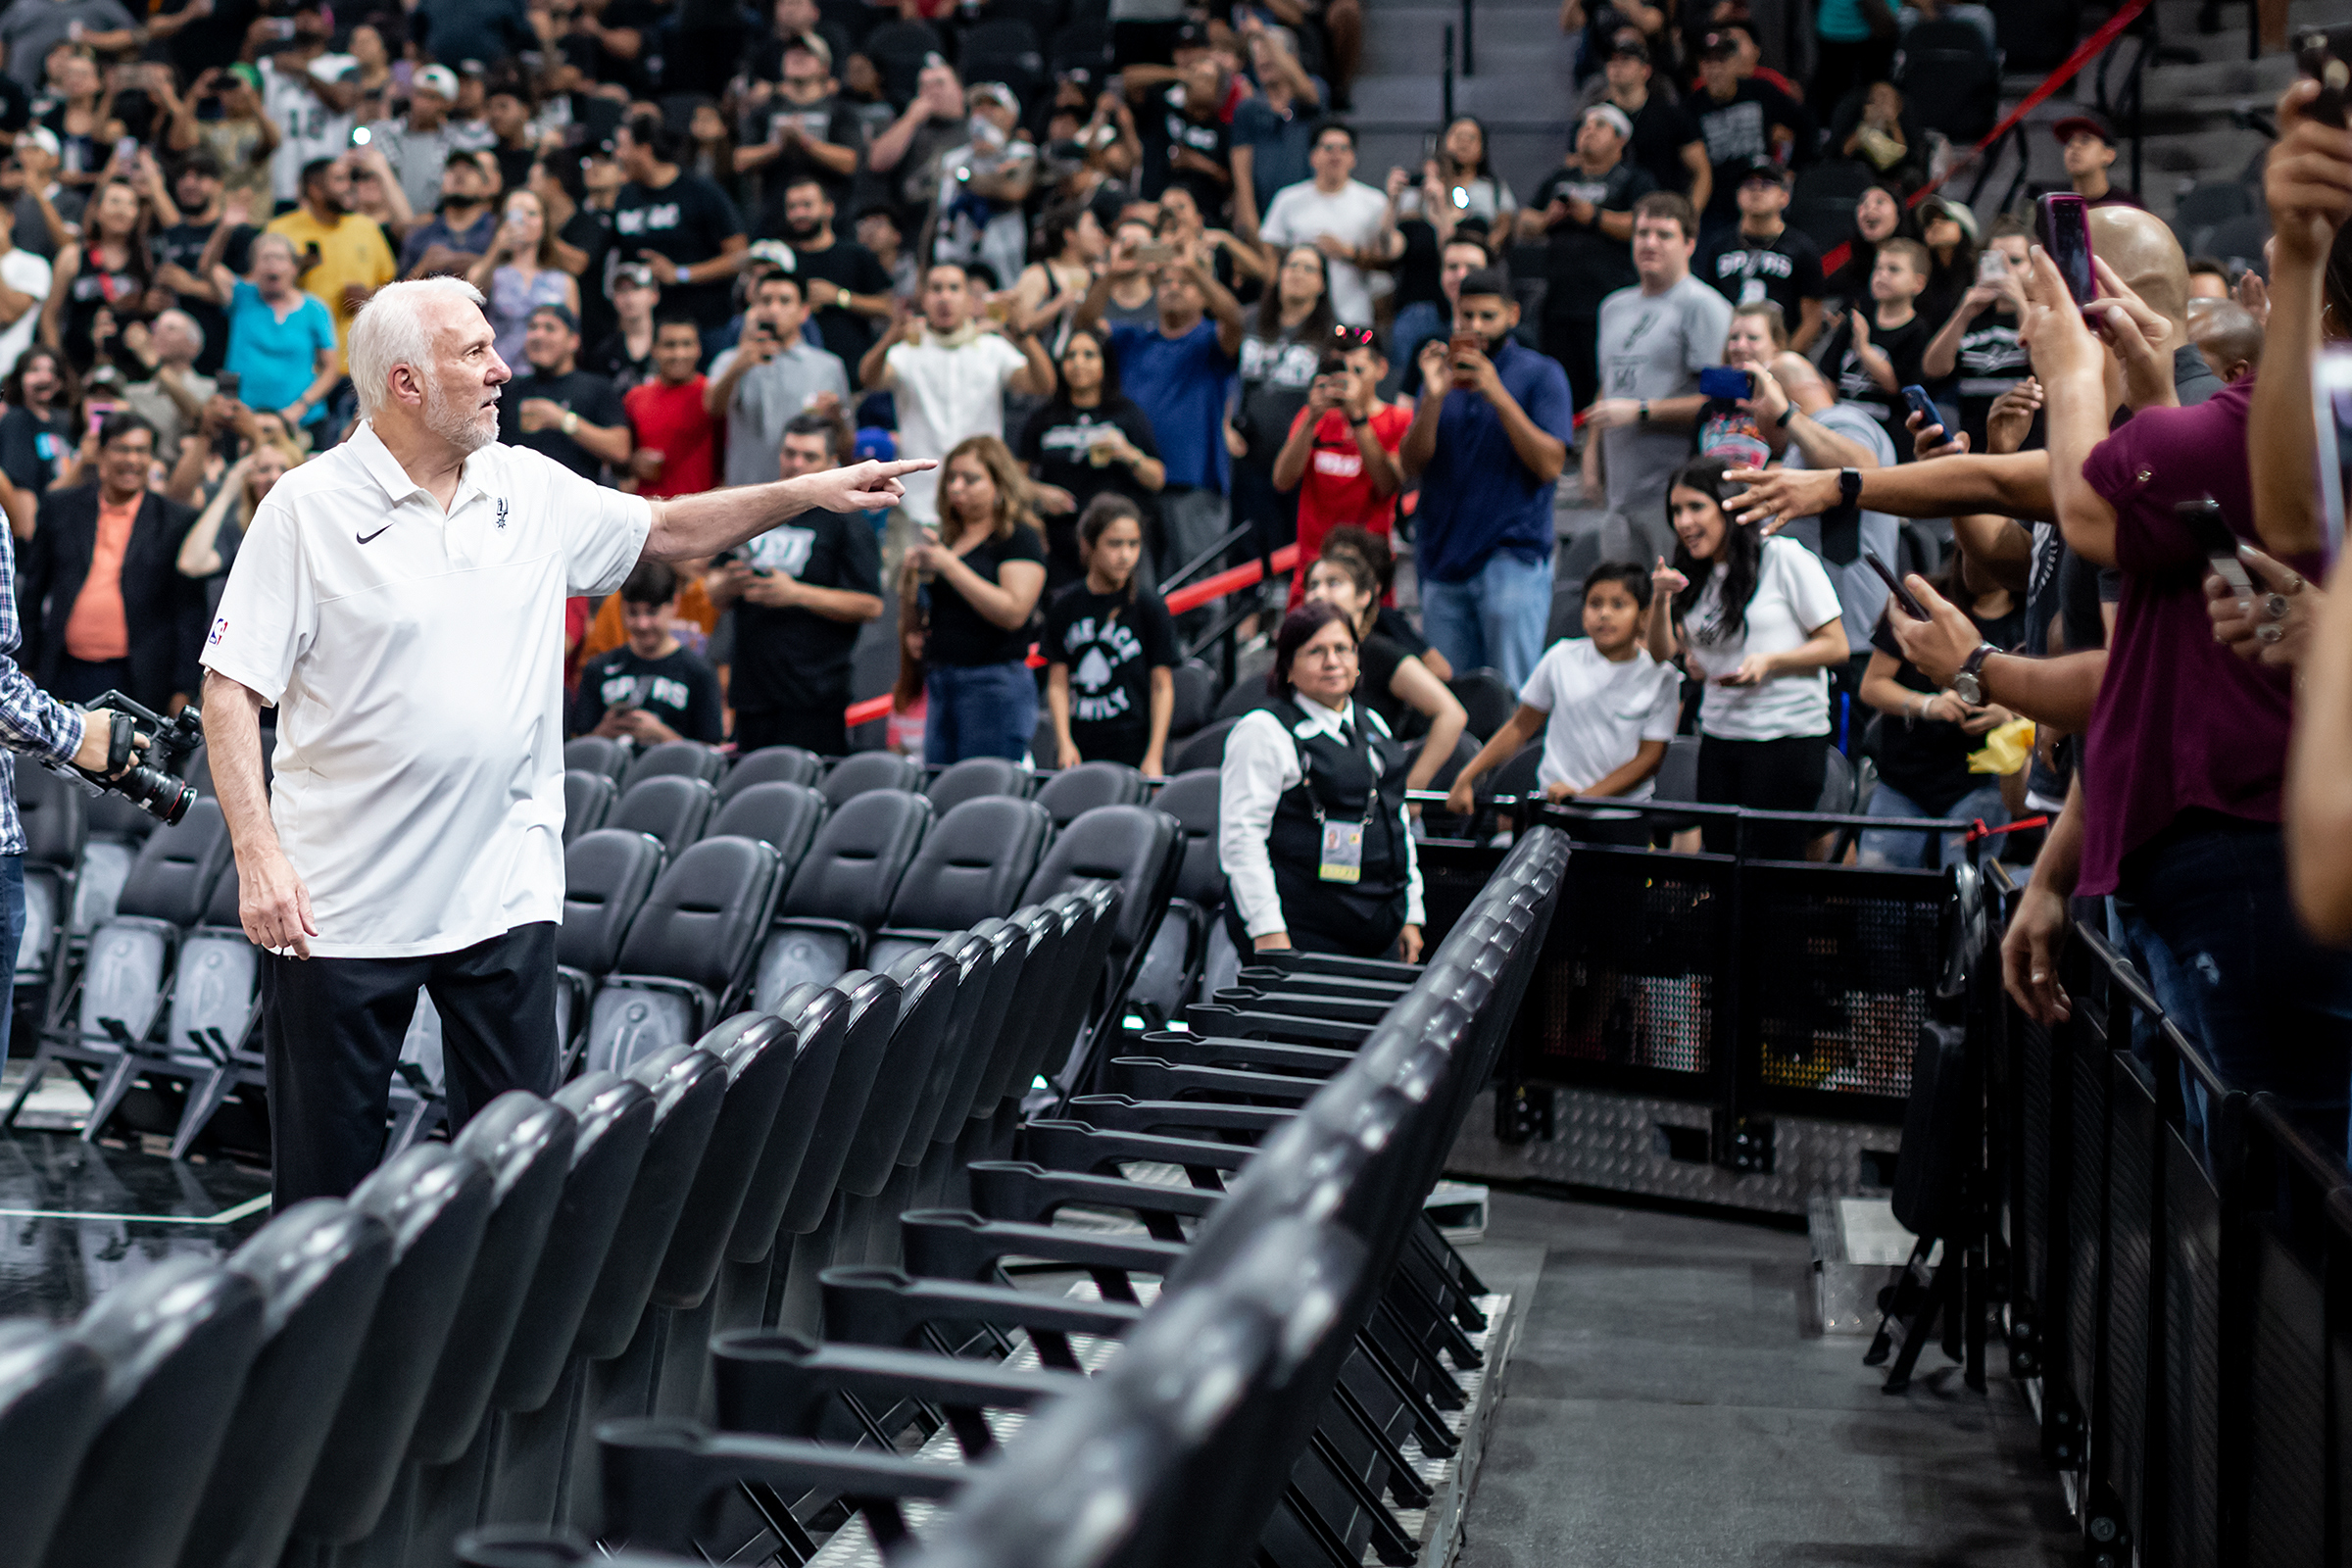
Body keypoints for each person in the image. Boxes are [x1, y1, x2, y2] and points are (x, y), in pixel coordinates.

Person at [196, 274, 925, 1205]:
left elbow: (665, 527)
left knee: (520, 1182)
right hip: (338, 905)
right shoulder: (306, 507)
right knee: (324, 1193)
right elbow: (230, 688)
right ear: (407, 383)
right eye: (475, 352)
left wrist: (808, 492)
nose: (502, 368)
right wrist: (258, 855)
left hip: (502, 893)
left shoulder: (527, 484)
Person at [1647, 456, 1847, 857]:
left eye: (1696, 507)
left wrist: (1770, 662)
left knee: (1770, 868)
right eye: (1676, 511)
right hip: (1719, 737)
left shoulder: (1783, 557)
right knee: (1722, 861)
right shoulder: (1697, 574)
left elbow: (1836, 646)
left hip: (1786, 739)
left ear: (1729, 506)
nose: (1684, 522)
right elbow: (1662, 653)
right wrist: (1659, 599)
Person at [1217, 600, 1424, 962]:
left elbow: (1398, 822)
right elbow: (1242, 839)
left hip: (1381, 928)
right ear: (1287, 667)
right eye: (1316, 651)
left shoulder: (1373, 723)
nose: (1332, 662)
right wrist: (1268, 930)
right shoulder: (1263, 730)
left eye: (1343, 649)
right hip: (1301, 934)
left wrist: (1411, 911)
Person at [1401, 266, 1572, 692]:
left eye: (1487, 316)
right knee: (1453, 703)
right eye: (1466, 316)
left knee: (1511, 697)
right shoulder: (1438, 377)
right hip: (1442, 560)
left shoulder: (1541, 373)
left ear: (1512, 315)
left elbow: (1551, 465)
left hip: (1511, 556)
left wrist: (1498, 394)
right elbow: (1411, 465)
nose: (1475, 327)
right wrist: (1432, 400)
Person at [1445, 562, 1682, 831]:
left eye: (1618, 605)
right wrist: (1468, 775)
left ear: (1643, 617)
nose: (1604, 614)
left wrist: (1585, 797)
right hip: (1553, 812)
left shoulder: (1662, 677)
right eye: (1595, 604)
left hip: (1622, 819)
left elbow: (1649, 759)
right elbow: (1520, 726)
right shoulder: (1561, 657)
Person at [707, 411, 883, 757]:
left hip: (814, 696)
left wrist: (796, 594)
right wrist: (730, 584)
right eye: (789, 453)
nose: (796, 464)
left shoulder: (846, 521)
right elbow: (713, 589)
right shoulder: (757, 509)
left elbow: (871, 605)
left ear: (832, 462)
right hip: (752, 691)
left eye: (809, 456)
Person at [1075, 238, 1246, 576]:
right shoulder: (1135, 339)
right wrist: (1112, 275)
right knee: (1136, 583)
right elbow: (1083, 326)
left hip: (1192, 483)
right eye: (1166, 281)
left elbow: (1235, 320)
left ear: (1202, 293)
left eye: (1185, 283)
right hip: (1133, 482)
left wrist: (1195, 269)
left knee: (1197, 583)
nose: (1173, 287)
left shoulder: (1210, 340)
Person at [20, 409, 202, 710]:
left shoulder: (174, 521)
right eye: (122, 449)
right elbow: (32, 592)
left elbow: (189, 613)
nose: (132, 460)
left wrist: (183, 688)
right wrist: (25, 664)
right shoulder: (60, 508)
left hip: (140, 678)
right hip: (63, 670)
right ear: (101, 453)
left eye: (141, 451)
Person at [860, 262, 1054, 529]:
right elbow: (869, 379)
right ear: (923, 299)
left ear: (970, 300)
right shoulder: (907, 350)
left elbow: (1042, 385)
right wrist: (891, 336)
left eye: (954, 288)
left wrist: (1022, 333)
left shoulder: (992, 348)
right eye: (936, 289)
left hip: (982, 501)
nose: (945, 297)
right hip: (918, 499)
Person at [1585, 193, 1735, 523]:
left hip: (1678, 495)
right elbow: (1609, 384)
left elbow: (1723, 403)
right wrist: (1591, 455)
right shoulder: (1613, 307)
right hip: (1619, 489)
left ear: (1690, 244)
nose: (1650, 243)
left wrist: (1642, 410)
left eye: (1664, 235)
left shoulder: (1705, 306)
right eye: (1642, 233)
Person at [901, 434, 1048, 763]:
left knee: (983, 785)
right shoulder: (948, 539)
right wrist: (910, 577)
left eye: (970, 479)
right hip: (942, 679)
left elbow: (1014, 612)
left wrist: (950, 566)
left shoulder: (1018, 538)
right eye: (951, 478)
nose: (956, 488)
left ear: (999, 483)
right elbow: (920, 616)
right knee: (941, 783)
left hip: (993, 683)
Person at [1299, 544, 1466, 789]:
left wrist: (1411, 789)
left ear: (1364, 596)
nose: (1319, 594)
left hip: (1370, 785)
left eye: (1333, 583)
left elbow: (1452, 714)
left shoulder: (1379, 651)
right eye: (1313, 585)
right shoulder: (1300, 653)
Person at [1526, 105, 1655, 411]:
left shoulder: (1634, 179)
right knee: (1561, 384)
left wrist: (1595, 216)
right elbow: (1524, 222)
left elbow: (1643, 224)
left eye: (1600, 126)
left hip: (1610, 300)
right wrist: (1546, 219)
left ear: (1620, 140)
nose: (1589, 130)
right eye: (1585, 125)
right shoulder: (1560, 178)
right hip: (1559, 301)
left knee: (1604, 381)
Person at [1016, 325, 1165, 589]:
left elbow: (1157, 479)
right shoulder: (1044, 417)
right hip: (1061, 539)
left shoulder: (1126, 414)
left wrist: (1129, 454)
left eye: (1089, 355)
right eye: (1070, 356)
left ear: (1104, 364)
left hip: (1117, 539)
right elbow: (1014, 480)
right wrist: (1038, 493)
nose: (1078, 363)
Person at [1273, 323, 1408, 604]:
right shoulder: (1314, 417)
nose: (1348, 379)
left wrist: (1357, 417)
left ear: (1381, 369)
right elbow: (1282, 480)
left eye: (1358, 370)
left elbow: (1387, 485)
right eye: (1340, 369)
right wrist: (1311, 418)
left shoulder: (1398, 420)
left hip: (1368, 574)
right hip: (1313, 570)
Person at [1044, 495, 1177, 773]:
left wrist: (1154, 755)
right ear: (1088, 544)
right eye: (1114, 544)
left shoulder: (1149, 606)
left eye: (1133, 544)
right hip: (1082, 744)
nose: (1125, 555)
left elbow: (1162, 686)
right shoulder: (1065, 606)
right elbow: (1057, 683)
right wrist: (1064, 742)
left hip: (1134, 744)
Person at [1232, 244, 1336, 564]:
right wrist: (1225, 423)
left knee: (1296, 548)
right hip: (1249, 455)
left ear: (1322, 284)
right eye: (1291, 266)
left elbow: (1368, 344)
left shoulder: (1333, 333)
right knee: (1247, 551)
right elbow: (1222, 372)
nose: (1297, 274)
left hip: (1301, 459)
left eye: (1308, 268)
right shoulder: (1249, 320)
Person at [705, 270, 850, 489]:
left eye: (784, 301)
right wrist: (738, 366)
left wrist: (836, 418)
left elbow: (846, 444)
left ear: (804, 311)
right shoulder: (731, 360)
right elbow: (713, 408)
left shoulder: (827, 366)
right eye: (765, 301)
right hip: (746, 492)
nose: (773, 309)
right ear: (753, 309)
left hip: (806, 495)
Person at [612, 112, 747, 335]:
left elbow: (740, 256)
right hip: (650, 329)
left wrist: (681, 274)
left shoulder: (701, 191)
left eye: (622, 147)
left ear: (644, 149)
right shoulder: (624, 197)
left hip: (706, 326)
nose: (617, 155)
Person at [570, 561, 726, 745]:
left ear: (674, 604)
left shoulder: (698, 672)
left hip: (672, 762)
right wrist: (603, 733)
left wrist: (662, 735)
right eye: (633, 613)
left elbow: (710, 750)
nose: (642, 624)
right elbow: (578, 746)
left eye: (652, 613)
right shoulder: (598, 669)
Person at [1257, 122, 1394, 327]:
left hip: (1353, 317)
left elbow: (1387, 263)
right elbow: (1270, 254)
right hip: (1300, 320)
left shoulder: (1375, 202)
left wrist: (1349, 253)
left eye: (1343, 148)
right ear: (1313, 157)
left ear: (1353, 158)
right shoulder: (1288, 199)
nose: (1335, 155)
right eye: (1328, 148)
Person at [266, 155, 394, 372]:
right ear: (315, 189)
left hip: (360, 363)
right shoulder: (281, 231)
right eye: (339, 180)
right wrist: (297, 271)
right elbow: (260, 291)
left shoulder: (366, 227)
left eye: (349, 179)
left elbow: (391, 285)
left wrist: (370, 297)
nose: (349, 186)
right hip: (302, 363)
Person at [209, 231, 338, 435]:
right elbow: (208, 268)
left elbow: (331, 369)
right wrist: (225, 228)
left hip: (301, 421)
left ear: (294, 268)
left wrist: (299, 408)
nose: (272, 265)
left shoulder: (315, 309)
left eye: (279, 258)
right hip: (242, 419)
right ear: (254, 269)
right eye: (265, 258)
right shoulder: (241, 296)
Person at [1920, 215, 2031, 449]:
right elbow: (1933, 368)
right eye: (1997, 262)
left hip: (2028, 450)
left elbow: (2048, 365)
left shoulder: (2040, 314)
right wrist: (1964, 312)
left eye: (2015, 261)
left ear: (2034, 267)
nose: (2007, 271)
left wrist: (2020, 302)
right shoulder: (1971, 316)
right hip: (1975, 448)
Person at [1686, 31, 1810, 238]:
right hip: (1718, 207)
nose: (1715, 69)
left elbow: (1806, 125)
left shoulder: (1760, 91)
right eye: (1707, 62)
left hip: (1763, 194)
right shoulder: (1691, 108)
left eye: (1721, 61)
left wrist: (1793, 169)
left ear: (1735, 62)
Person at [1694, 158, 1824, 349]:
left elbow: (1812, 320)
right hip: (1729, 351)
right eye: (1748, 184)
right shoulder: (1718, 245)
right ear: (1738, 194)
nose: (1756, 190)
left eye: (1766, 184)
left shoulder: (1802, 248)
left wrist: (1782, 358)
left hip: (1781, 352)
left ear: (1784, 196)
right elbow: (1708, 309)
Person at [1820, 234, 1934, 450]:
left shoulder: (1917, 332)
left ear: (1918, 283)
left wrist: (1863, 348)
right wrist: (1828, 419)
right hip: (1843, 427)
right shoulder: (1856, 320)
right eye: (1878, 268)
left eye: (1893, 270)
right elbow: (1830, 378)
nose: (1882, 275)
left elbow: (1895, 386)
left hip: (1886, 438)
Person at [768, 176, 896, 368]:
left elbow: (888, 307)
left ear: (829, 209)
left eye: (807, 205)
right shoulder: (783, 262)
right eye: (792, 207)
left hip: (853, 368)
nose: (799, 213)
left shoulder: (856, 254)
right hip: (798, 370)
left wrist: (840, 297)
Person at [495, 303, 632, 481]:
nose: (538, 335)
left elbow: (620, 450)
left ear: (573, 341)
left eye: (550, 328)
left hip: (575, 495)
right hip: (515, 494)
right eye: (532, 327)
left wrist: (562, 419)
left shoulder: (596, 387)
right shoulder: (507, 389)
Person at [38, 173, 153, 376]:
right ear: (98, 211)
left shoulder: (146, 257)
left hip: (132, 370)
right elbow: (49, 315)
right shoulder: (73, 256)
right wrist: (58, 367)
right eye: (114, 202)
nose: (122, 211)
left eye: (130, 204)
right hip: (79, 368)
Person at [736, 32, 860, 208]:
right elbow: (740, 160)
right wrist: (776, 147)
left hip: (831, 209)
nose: (797, 57)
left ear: (824, 67)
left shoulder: (842, 111)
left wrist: (805, 143)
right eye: (791, 52)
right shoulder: (764, 111)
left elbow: (851, 162)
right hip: (775, 210)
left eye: (807, 53)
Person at [173, 439, 294, 608]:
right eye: (264, 470)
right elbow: (192, 563)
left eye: (284, 469)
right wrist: (228, 492)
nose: (274, 477)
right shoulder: (238, 529)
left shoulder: (307, 529)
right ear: (249, 479)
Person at [469, 188, 580, 368]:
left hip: (546, 374)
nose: (524, 220)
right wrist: (497, 248)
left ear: (544, 223)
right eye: (516, 214)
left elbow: (572, 338)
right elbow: (472, 293)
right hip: (500, 371)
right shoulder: (495, 273)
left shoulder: (563, 281)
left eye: (532, 214)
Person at [622, 315, 719, 499]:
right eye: (670, 345)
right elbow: (620, 457)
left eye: (686, 344)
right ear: (654, 349)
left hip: (700, 508)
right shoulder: (635, 397)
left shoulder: (712, 396)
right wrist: (632, 464)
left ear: (698, 349)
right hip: (651, 508)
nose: (679, 354)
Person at [398, 151, 501, 279]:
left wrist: (475, 263)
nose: (459, 174)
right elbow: (399, 288)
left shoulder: (497, 231)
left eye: (469, 169)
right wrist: (423, 267)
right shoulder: (421, 235)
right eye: (451, 169)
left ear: (485, 186)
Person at [0, 344, 75, 495]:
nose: (45, 377)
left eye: (52, 371)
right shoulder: (15, 420)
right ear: (20, 379)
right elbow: (20, 488)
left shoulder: (65, 421)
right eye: (34, 370)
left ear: (59, 382)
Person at [586, 262, 659, 390]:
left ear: (654, 295)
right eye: (622, 290)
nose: (629, 297)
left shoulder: (669, 343)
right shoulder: (604, 352)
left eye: (636, 288)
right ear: (614, 299)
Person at [2052, 111, 2140, 210]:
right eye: (2069, 142)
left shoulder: (2127, 207)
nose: (2075, 146)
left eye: (2085, 140)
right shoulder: (2054, 206)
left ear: (2109, 155)